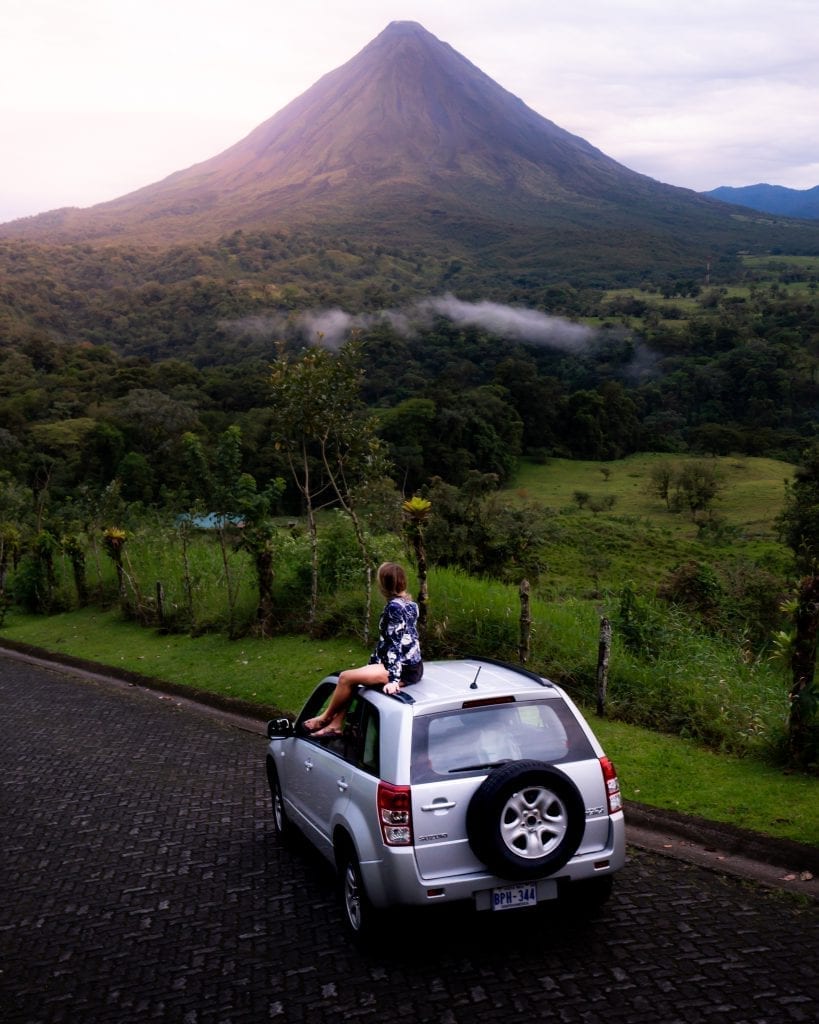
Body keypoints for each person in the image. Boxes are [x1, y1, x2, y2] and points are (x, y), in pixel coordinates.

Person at [304, 561, 423, 737]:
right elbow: (400, 640)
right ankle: (336, 724)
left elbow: (395, 645)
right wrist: (372, 664)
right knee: (355, 680)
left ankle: (325, 717)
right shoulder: (410, 604)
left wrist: (394, 680)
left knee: (345, 678)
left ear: (383, 585)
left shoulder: (394, 608)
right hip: (413, 665)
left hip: (402, 670)